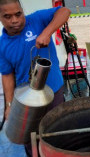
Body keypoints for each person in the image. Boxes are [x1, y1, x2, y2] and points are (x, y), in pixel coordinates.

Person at [0, 0, 71, 156]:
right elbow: (7, 75)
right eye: (7, 16)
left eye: (18, 14)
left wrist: (47, 32)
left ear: (22, 11)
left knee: (57, 134)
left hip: (53, 92)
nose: (14, 20)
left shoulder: (37, 19)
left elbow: (65, 11)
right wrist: (10, 105)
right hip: (27, 101)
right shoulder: (2, 45)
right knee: (31, 139)